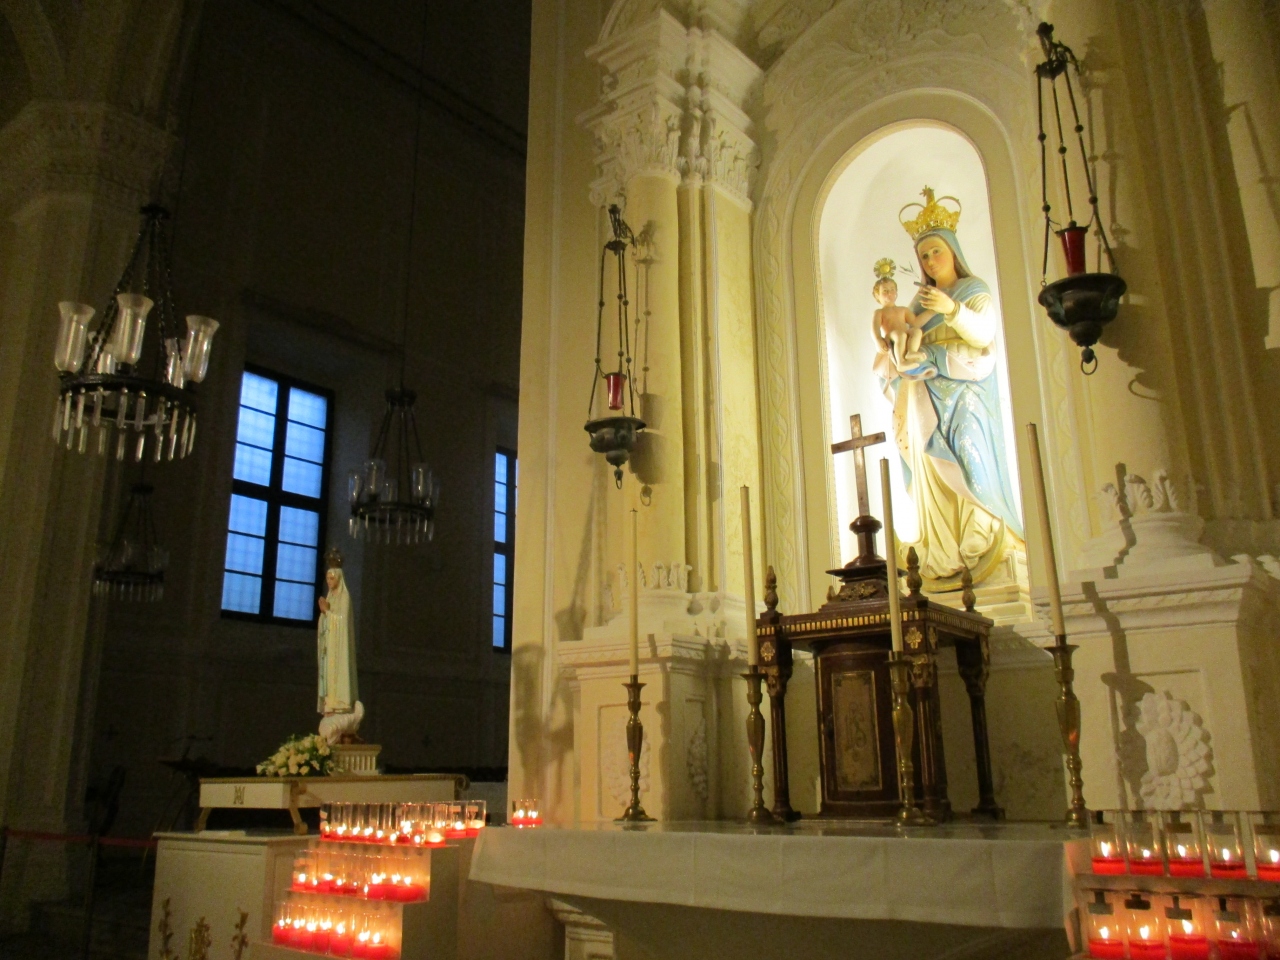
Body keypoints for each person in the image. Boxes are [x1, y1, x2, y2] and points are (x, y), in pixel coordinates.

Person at [872, 188, 1024, 588]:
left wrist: (952, 310)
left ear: (953, 251)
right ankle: (941, 547)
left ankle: (980, 533)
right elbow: (902, 341)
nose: (929, 261)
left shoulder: (974, 291)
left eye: (935, 251)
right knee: (928, 464)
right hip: (923, 397)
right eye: (923, 255)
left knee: (970, 458)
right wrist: (894, 357)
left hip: (965, 396)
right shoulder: (919, 303)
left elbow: (983, 335)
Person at [870, 258, 927, 364]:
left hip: (904, 335)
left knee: (916, 331)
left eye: (892, 290)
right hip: (891, 337)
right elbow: (874, 328)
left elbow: (916, 322)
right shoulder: (879, 312)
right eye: (885, 291)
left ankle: (911, 351)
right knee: (900, 335)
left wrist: (932, 311)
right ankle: (901, 362)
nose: (889, 293)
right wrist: (878, 340)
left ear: (896, 292)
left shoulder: (903, 310)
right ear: (877, 295)